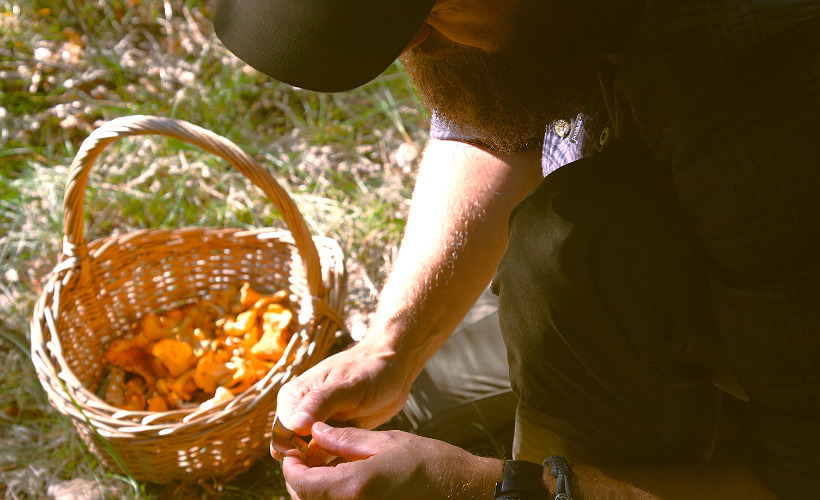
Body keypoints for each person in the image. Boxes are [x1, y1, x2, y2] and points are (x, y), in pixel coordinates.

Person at [214, 0, 820, 498]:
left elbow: (797, 480)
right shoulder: (536, 21)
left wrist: (478, 487)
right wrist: (391, 347)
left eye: (418, 10)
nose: (412, 41)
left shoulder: (750, 85)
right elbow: (494, 126)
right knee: (420, 406)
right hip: (689, 280)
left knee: (577, 250)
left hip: (777, 361)